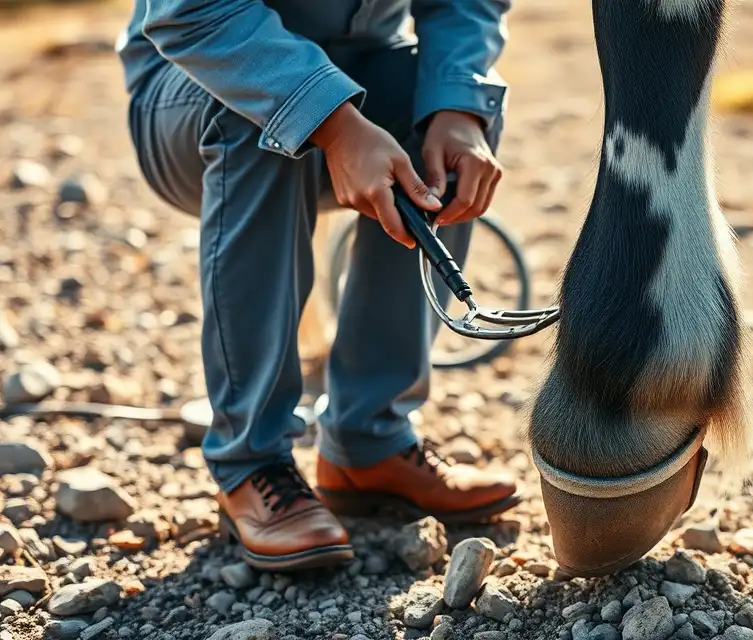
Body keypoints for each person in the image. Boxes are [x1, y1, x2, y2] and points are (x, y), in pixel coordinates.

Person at [116, 0, 521, 571]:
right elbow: (192, 13)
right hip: (193, 83)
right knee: (265, 111)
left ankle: (369, 439)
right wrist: (333, 123)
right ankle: (251, 462)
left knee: (443, 102)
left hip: (360, 69)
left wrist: (458, 106)